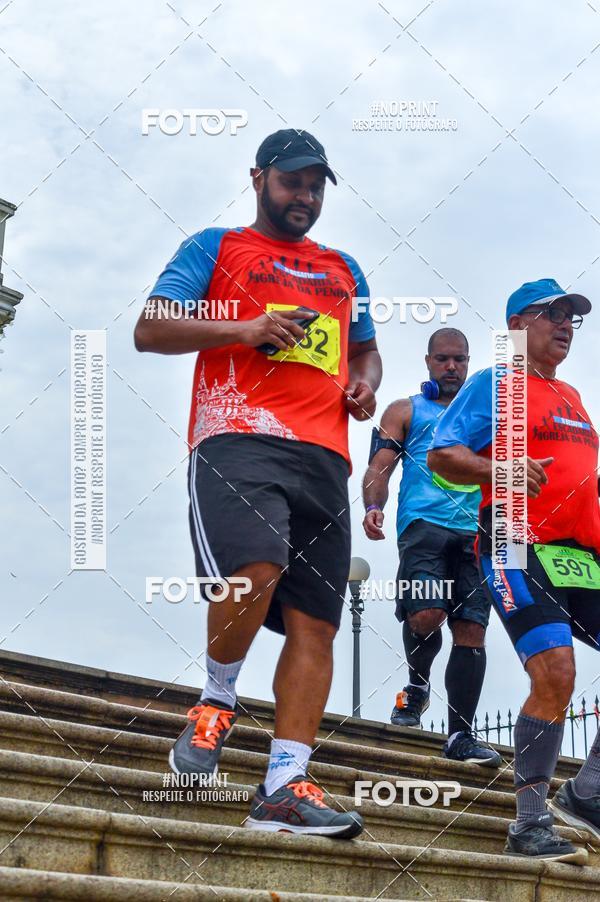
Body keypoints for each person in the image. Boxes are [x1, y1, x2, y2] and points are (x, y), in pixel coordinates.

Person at [134, 129, 381, 838]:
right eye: (292, 182)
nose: (304, 197)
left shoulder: (344, 267)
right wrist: (246, 327)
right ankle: (215, 703)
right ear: (258, 178)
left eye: (315, 186)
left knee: (318, 623)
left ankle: (283, 784)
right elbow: (151, 328)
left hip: (324, 456)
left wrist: (363, 387)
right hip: (236, 437)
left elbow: (365, 350)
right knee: (257, 566)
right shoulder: (215, 246)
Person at [428, 278, 600, 864]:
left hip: (582, 554)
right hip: (512, 542)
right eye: (550, 314)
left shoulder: (573, 395)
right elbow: (442, 454)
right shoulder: (494, 383)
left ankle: (588, 794)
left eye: (571, 317)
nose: (564, 325)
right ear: (516, 327)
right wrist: (499, 468)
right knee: (556, 671)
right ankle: (528, 824)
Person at [362, 328, 500, 766]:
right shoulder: (406, 410)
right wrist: (372, 505)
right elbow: (379, 468)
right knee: (426, 613)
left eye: (459, 359)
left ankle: (461, 734)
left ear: (468, 361)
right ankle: (417, 688)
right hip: (423, 526)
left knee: (472, 630)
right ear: (428, 361)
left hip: (479, 532)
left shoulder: (486, 418)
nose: (452, 367)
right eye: (443, 359)